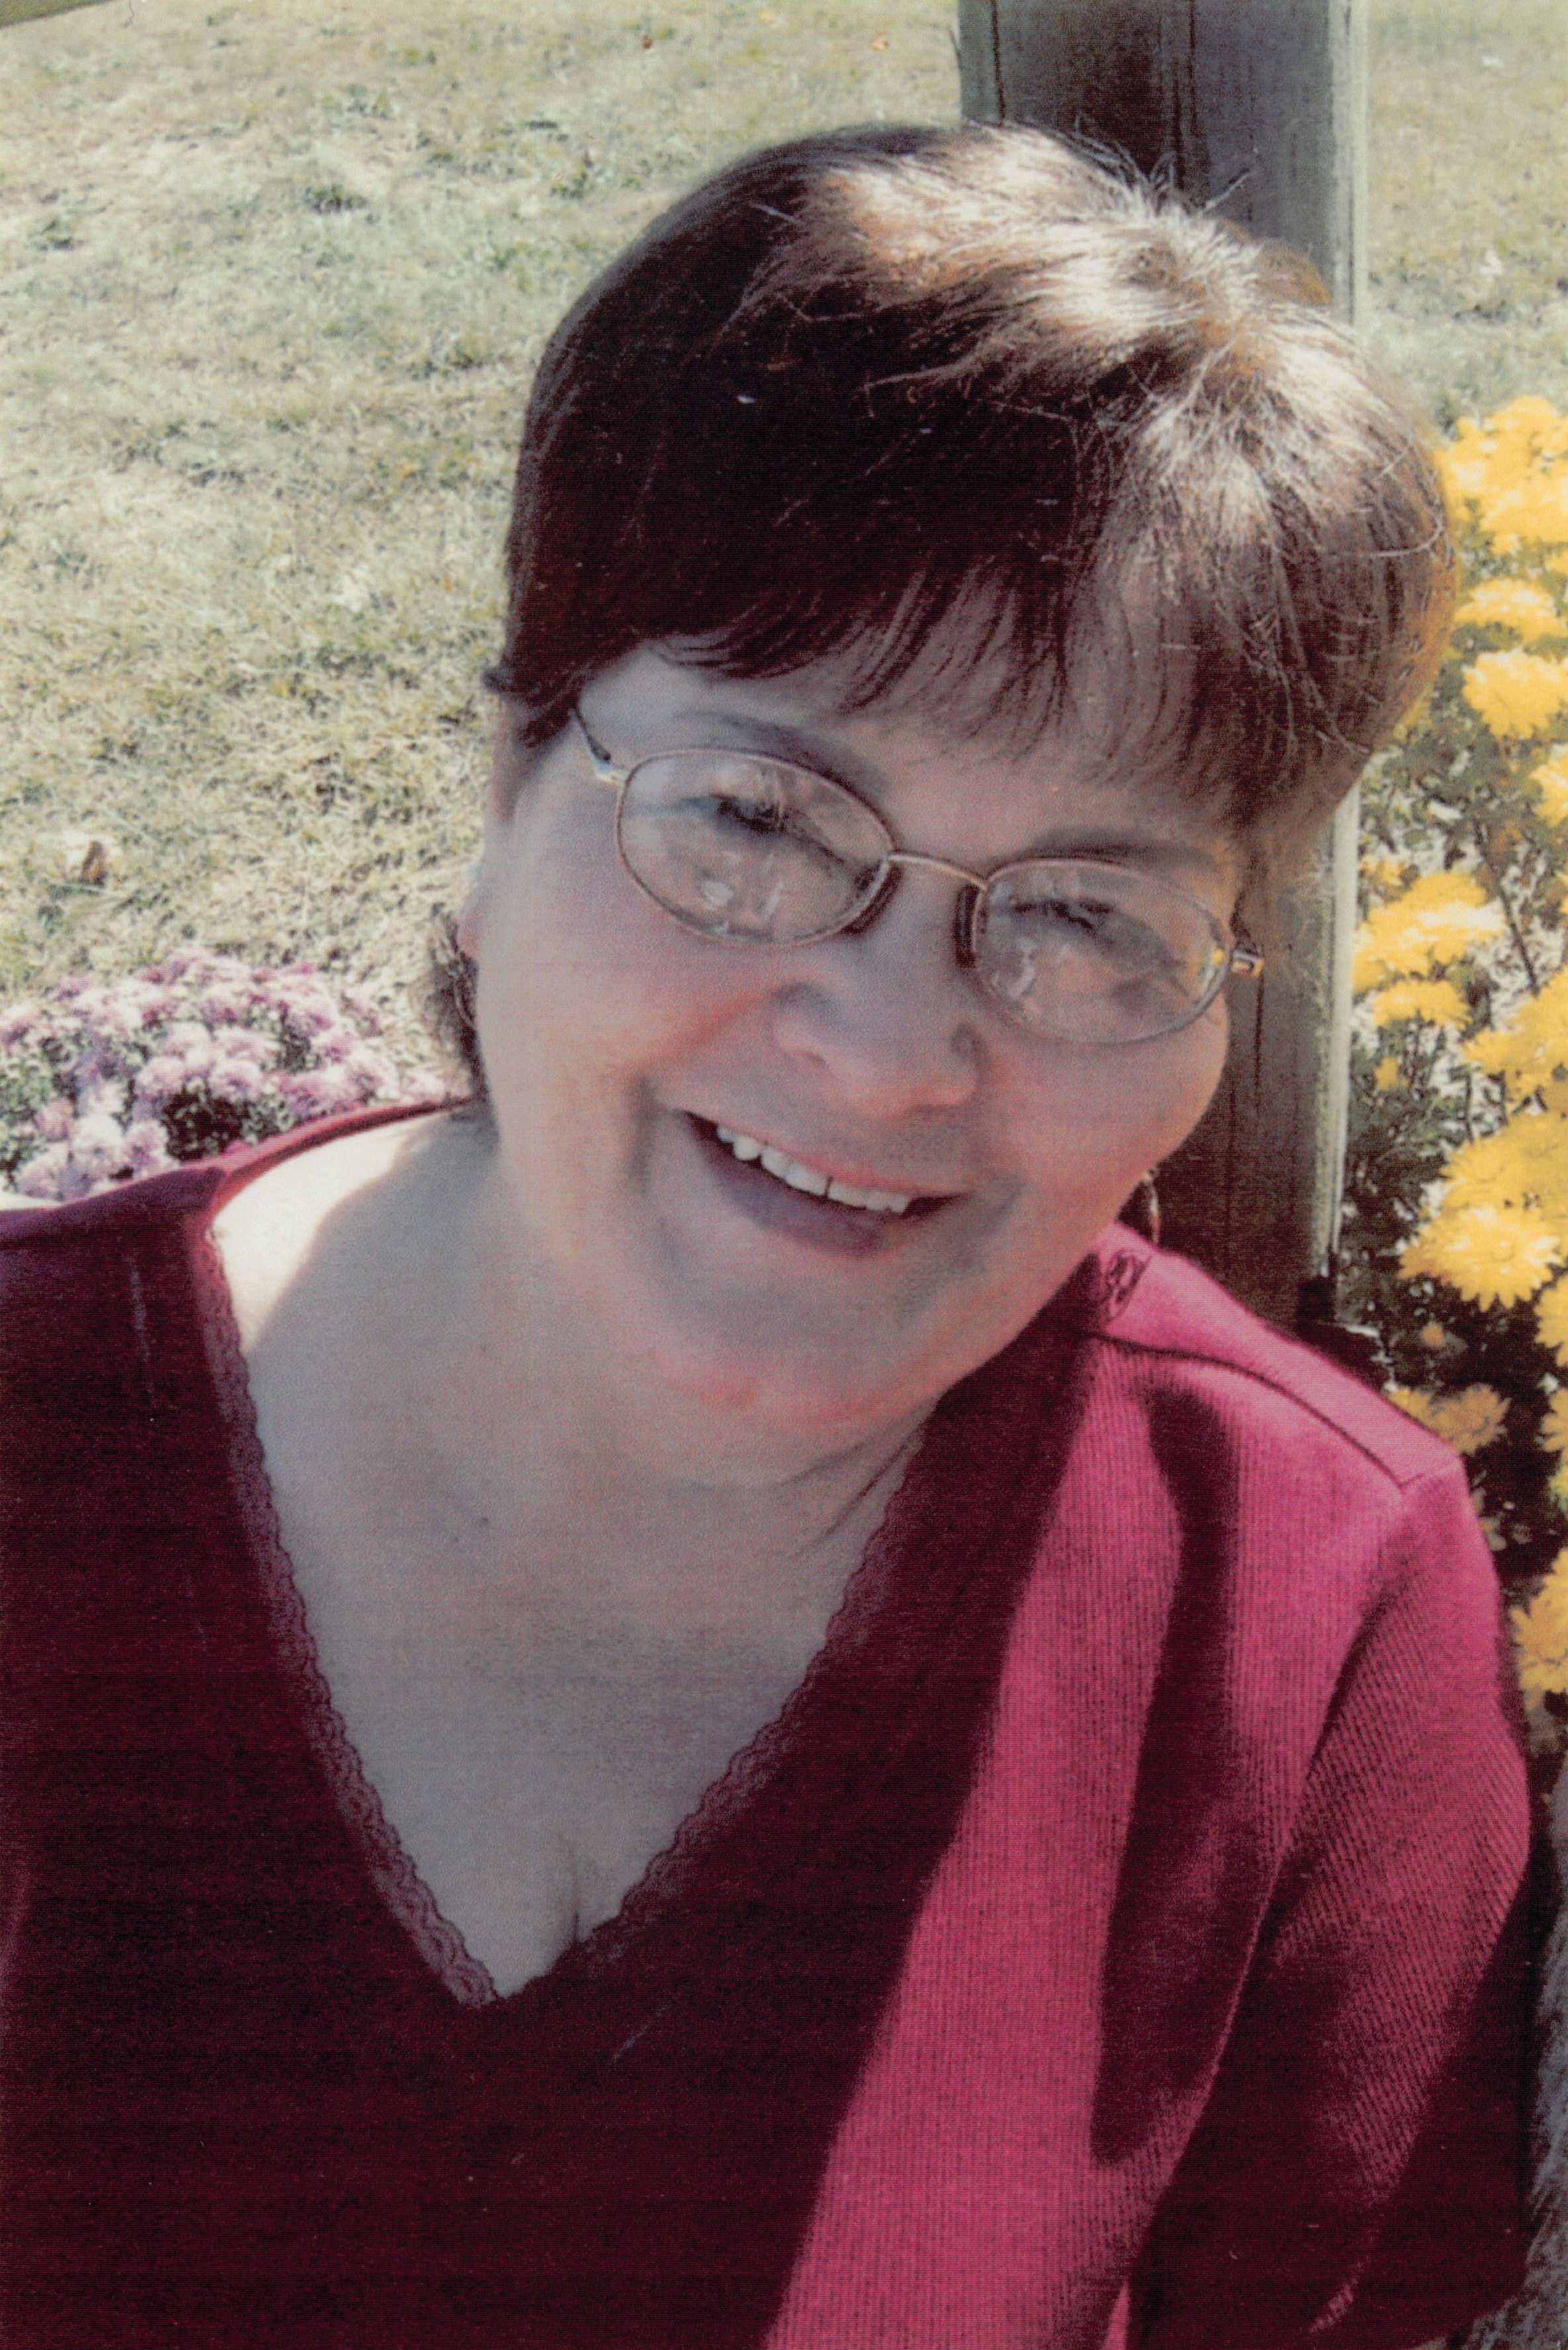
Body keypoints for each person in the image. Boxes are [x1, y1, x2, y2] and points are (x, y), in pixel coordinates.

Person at [0, 122, 1530, 2350]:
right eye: (755, 816)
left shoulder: (1298, 1610)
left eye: (1086, 915)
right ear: (507, 783)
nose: (890, 1049)